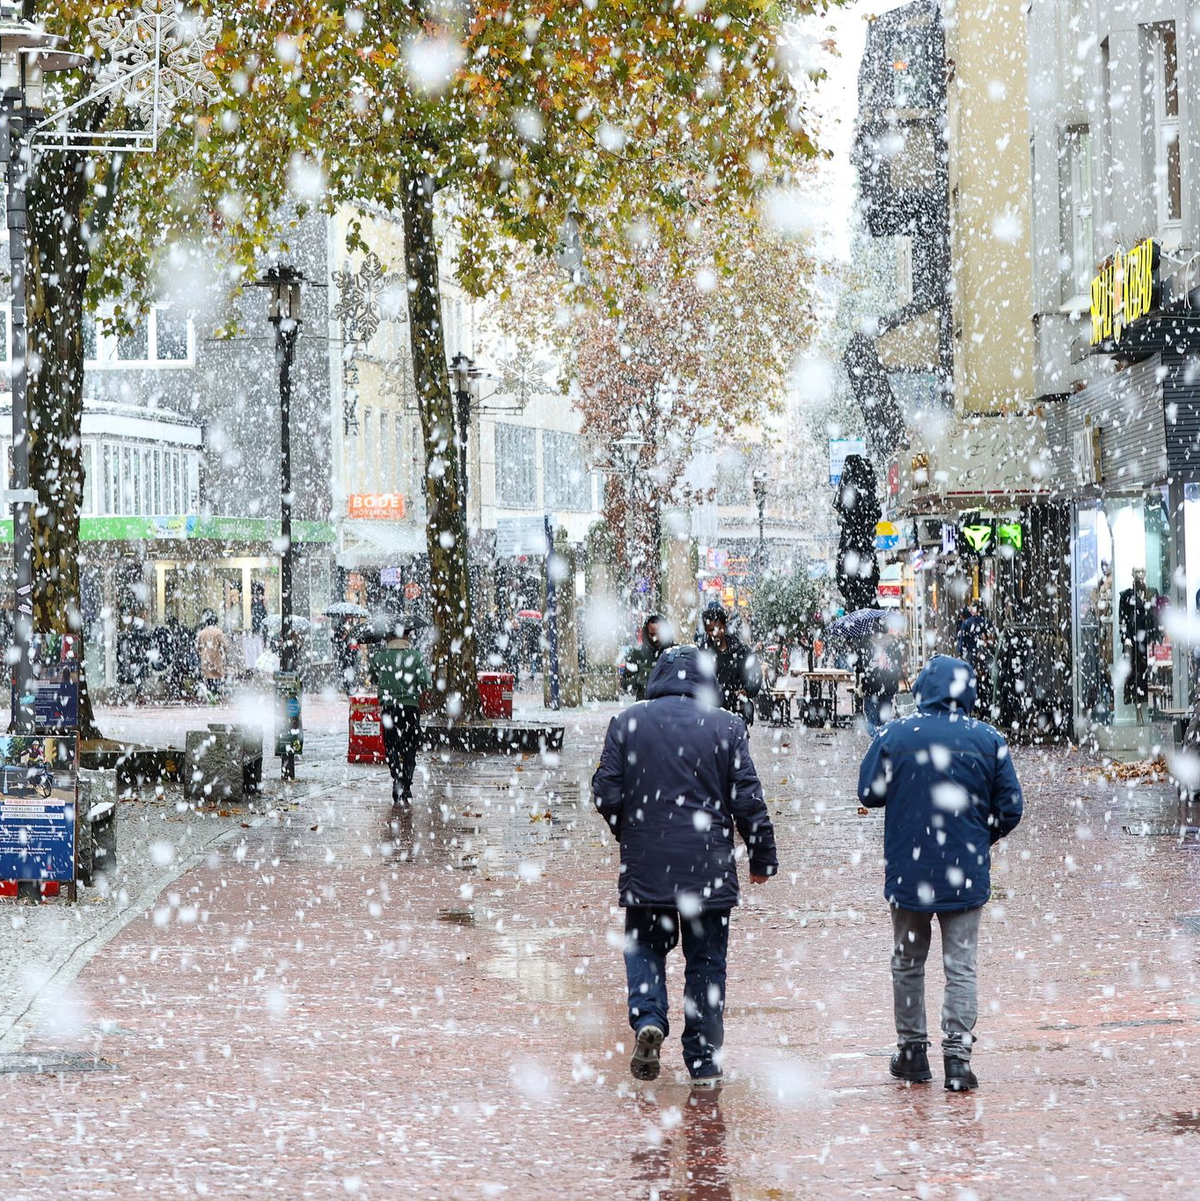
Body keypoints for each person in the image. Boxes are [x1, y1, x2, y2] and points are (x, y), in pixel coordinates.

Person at [592, 645, 778, 1088]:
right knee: (707, 962)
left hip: (647, 863)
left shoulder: (628, 722)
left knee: (643, 946)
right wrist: (762, 857)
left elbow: (605, 793)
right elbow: (747, 799)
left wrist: (631, 832)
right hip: (707, 866)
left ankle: (649, 1018)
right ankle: (704, 1059)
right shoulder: (728, 725)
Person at [858, 654, 1023, 1093]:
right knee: (961, 965)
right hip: (964, 873)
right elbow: (1011, 808)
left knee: (908, 962)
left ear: (923, 690)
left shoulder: (895, 734)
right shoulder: (988, 739)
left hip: (910, 872)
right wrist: (979, 838)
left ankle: (912, 1053)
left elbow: (869, 793)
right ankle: (957, 1060)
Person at [369, 618, 431, 806]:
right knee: (410, 746)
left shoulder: (380, 657)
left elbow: (372, 678)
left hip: (389, 708)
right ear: (406, 634)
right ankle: (407, 785)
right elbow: (425, 681)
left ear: (388, 636)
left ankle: (396, 778)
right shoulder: (416, 656)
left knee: (391, 746)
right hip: (411, 708)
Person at [698, 602, 761, 722]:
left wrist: (747, 690)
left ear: (724, 627)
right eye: (711, 630)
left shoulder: (741, 651)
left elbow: (755, 674)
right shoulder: (701, 653)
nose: (715, 634)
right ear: (706, 631)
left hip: (737, 711)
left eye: (719, 629)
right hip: (710, 714)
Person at [954, 600, 996, 712]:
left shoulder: (966, 623)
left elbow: (961, 642)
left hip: (971, 655)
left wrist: (961, 653)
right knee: (985, 680)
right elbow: (992, 637)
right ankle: (985, 704)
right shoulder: (987, 621)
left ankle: (974, 705)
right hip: (984, 656)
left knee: (971, 680)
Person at [861, 629, 905, 734]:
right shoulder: (893, 644)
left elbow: (859, 666)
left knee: (871, 720)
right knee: (884, 720)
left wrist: (871, 665)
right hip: (888, 687)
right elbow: (898, 664)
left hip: (870, 687)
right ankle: (881, 739)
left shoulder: (866, 644)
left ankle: (876, 740)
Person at [624, 613, 675, 701]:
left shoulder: (675, 651)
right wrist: (637, 680)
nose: (656, 638)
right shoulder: (637, 653)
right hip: (645, 706)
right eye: (652, 634)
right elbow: (624, 682)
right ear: (647, 633)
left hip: (668, 705)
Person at [196, 614, 229, 702]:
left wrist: (201, 652)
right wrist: (224, 651)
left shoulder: (202, 633)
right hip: (216, 657)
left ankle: (209, 692)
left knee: (208, 676)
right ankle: (214, 694)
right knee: (217, 676)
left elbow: (197, 646)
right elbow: (224, 644)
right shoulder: (218, 632)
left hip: (205, 657)